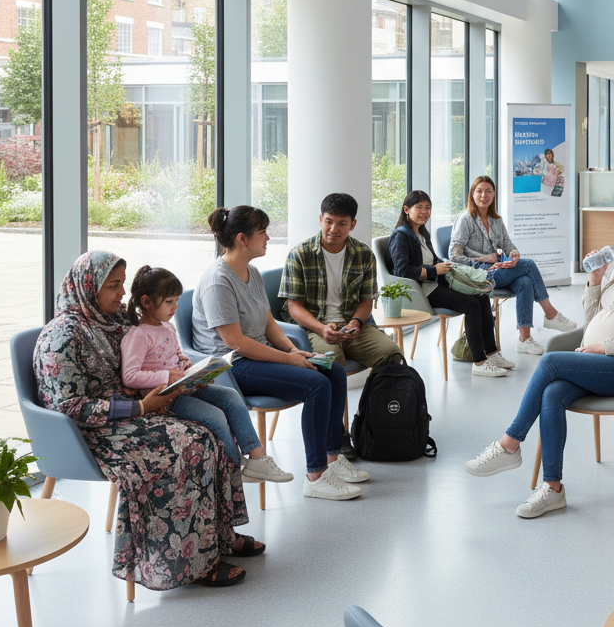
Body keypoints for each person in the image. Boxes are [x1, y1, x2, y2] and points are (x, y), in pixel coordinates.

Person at [34, 251, 255, 589]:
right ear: (87, 287)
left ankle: (219, 536)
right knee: (189, 445)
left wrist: (186, 374)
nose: (123, 294)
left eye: (123, 284)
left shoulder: (116, 320)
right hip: (95, 431)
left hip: (141, 409)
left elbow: (155, 357)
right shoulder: (61, 337)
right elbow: (69, 407)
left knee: (208, 430)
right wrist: (138, 410)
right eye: (114, 285)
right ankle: (190, 562)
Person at [464, 205, 614, 518]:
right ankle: (553, 488)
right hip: (601, 361)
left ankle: (510, 443)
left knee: (550, 362)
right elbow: (592, 319)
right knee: (552, 393)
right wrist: (595, 280)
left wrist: (604, 347)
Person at [193, 205, 368, 502]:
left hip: (256, 355)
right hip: (230, 367)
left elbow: (268, 322)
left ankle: (331, 459)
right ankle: (315, 477)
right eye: (262, 232)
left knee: (333, 372)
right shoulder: (218, 281)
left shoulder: (252, 272)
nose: (267, 237)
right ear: (242, 239)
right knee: (316, 384)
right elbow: (236, 342)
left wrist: (294, 349)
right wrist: (289, 359)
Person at [120, 264, 292, 486]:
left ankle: (257, 458)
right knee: (216, 415)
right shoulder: (138, 335)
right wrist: (167, 377)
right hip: (163, 399)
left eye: (176, 300)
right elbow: (130, 376)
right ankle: (233, 468)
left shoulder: (167, 327)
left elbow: (175, 354)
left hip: (183, 388)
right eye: (169, 301)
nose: (175, 306)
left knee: (230, 396)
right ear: (146, 302)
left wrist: (184, 362)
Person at [449, 175, 576, 355]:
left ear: (494, 195)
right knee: (529, 265)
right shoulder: (465, 219)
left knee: (525, 281)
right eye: (479, 191)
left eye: (488, 191)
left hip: (499, 270)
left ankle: (524, 339)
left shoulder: (496, 220)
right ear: (472, 194)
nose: (484, 195)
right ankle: (550, 314)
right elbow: (454, 257)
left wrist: (514, 254)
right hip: (477, 275)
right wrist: (485, 258)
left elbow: (508, 245)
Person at [388, 190, 510, 376]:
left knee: (481, 296)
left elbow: (432, 259)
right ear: (406, 209)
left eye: (428, 208)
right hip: (421, 292)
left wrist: (443, 264)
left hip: (435, 283)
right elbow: (402, 271)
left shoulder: (421, 232)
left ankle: (492, 353)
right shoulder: (401, 236)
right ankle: (479, 363)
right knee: (471, 305)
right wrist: (433, 270)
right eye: (419, 207)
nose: (424, 212)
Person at [279, 192, 404, 371]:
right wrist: (322, 329)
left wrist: (356, 322)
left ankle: (372, 398)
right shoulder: (299, 254)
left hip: (350, 326)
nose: (333, 229)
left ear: (352, 224)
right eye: (329, 221)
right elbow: (294, 306)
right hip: (315, 327)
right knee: (331, 364)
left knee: (392, 354)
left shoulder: (364, 254)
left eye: (342, 223)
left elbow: (366, 300)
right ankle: (340, 400)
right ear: (321, 219)